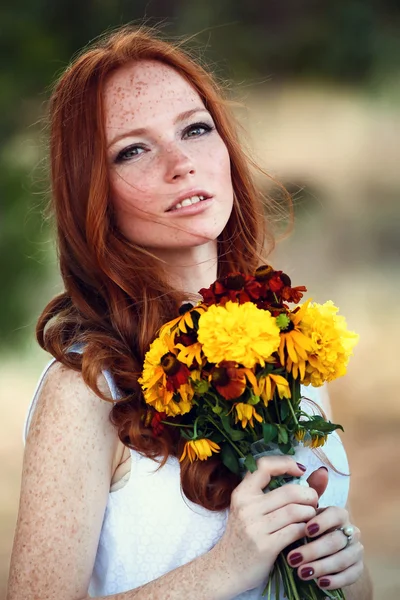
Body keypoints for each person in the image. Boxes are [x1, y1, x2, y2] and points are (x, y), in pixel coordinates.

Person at [7, 26, 372, 600]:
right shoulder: (86, 391)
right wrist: (227, 565)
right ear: (91, 191)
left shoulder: (290, 348)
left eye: (195, 128)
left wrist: (346, 566)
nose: (181, 163)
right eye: (133, 149)